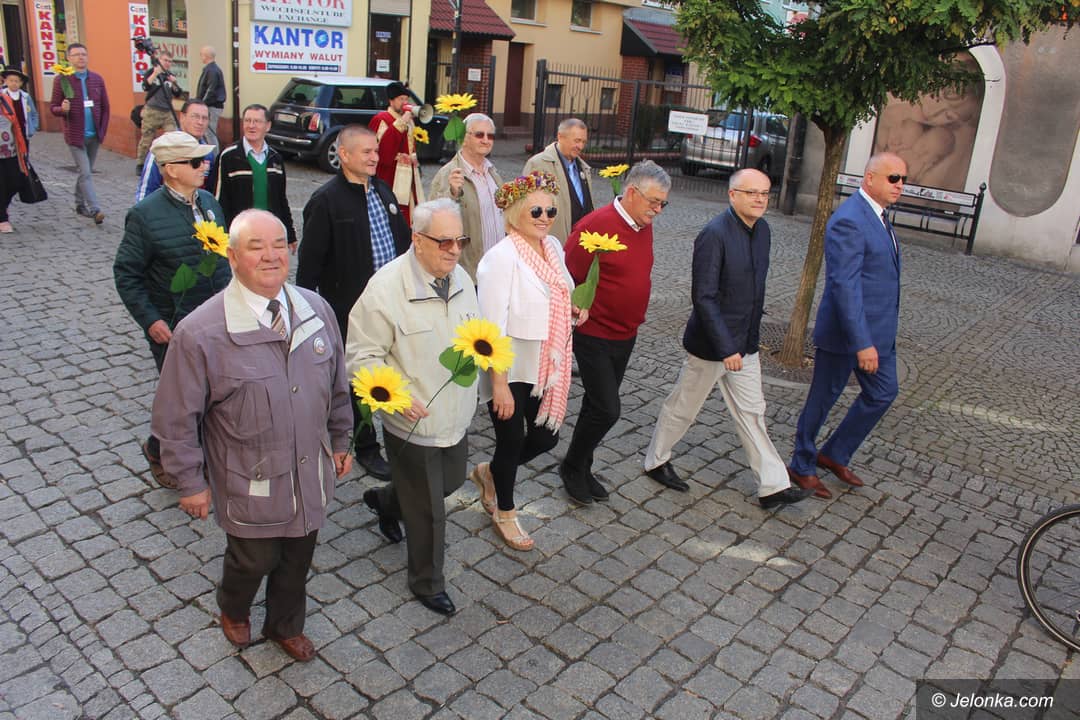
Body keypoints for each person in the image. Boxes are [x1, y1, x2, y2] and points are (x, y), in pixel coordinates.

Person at [151, 209, 353, 663]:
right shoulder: (200, 332)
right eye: (255, 247)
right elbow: (175, 418)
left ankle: (285, 625)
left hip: (310, 472)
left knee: (298, 559)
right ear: (232, 256)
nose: (270, 256)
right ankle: (234, 605)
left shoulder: (316, 310)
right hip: (249, 481)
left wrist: (342, 440)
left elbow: (337, 387)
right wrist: (190, 482)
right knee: (253, 560)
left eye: (278, 245)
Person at [643, 169, 813, 509]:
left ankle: (773, 486)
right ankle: (656, 461)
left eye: (764, 193)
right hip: (711, 347)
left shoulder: (763, 231)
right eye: (752, 193)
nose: (760, 199)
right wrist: (726, 347)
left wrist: (747, 341)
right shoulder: (714, 235)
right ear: (732, 195)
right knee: (684, 407)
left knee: (752, 413)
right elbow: (704, 297)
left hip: (746, 345)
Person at [345, 198, 478, 616]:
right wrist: (398, 395)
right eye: (443, 242)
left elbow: (478, 334)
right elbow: (361, 357)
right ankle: (427, 581)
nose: (454, 251)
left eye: (459, 241)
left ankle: (386, 501)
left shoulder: (462, 277)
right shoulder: (385, 289)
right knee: (430, 512)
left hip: (454, 413)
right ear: (417, 240)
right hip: (411, 420)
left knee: (450, 481)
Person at [473, 171, 586, 550]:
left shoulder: (552, 246)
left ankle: (490, 473)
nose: (545, 217)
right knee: (510, 441)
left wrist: (573, 309)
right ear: (515, 211)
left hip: (544, 366)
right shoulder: (500, 259)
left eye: (551, 210)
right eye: (536, 210)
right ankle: (505, 512)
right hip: (509, 367)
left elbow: (560, 291)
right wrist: (499, 384)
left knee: (545, 437)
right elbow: (491, 328)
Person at [114, 132, 231, 489]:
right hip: (174, 326)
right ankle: (159, 450)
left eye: (204, 160)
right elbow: (126, 274)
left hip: (217, 319)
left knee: (214, 392)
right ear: (170, 169)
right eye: (195, 162)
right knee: (182, 399)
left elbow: (222, 257)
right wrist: (151, 320)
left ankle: (206, 456)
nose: (204, 166)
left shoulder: (209, 202)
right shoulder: (144, 216)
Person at [788, 153, 906, 499]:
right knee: (822, 400)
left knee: (883, 392)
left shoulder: (879, 216)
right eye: (893, 178)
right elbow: (845, 285)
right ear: (869, 178)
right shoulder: (849, 219)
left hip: (879, 333)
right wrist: (862, 342)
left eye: (903, 179)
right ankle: (802, 464)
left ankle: (834, 453)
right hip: (847, 334)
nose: (900, 185)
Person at [296, 125, 411, 481]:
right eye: (366, 152)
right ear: (344, 155)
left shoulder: (383, 190)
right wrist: (307, 314)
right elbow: (309, 266)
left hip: (392, 303)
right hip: (350, 309)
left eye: (376, 151)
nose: (375, 157)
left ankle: (399, 432)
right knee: (359, 380)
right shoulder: (326, 201)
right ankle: (365, 444)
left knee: (393, 366)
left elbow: (403, 242)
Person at [559, 160, 670, 505]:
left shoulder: (642, 224)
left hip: (626, 332)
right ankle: (571, 467)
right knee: (608, 409)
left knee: (595, 405)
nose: (658, 210)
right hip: (594, 332)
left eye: (663, 203)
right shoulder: (595, 226)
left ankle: (583, 465)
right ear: (632, 192)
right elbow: (566, 275)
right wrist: (577, 307)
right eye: (654, 201)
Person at [428, 113, 504, 280]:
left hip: (497, 269)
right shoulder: (449, 174)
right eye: (479, 135)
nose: (486, 140)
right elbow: (433, 220)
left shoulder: (493, 172)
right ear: (464, 138)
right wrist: (452, 193)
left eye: (490, 136)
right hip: (469, 271)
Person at [216, 104, 298, 252]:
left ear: (268, 126)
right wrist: (223, 236)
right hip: (240, 234)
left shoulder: (276, 158)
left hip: (269, 232)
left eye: (257, 121)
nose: (251, 126)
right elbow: (220, 198)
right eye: (247, 120)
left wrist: (290, 234)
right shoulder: (228, 156)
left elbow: (281, 199)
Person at [50, 43, 109, 225]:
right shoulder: (62, 80)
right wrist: (62, 109)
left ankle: (79, 203)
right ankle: (95, 209)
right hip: (75, 135)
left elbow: (105, 107)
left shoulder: (96, 79)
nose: (80, 57)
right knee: (85, 172)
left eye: (83, 54)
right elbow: (53, 107)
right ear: (69, 58)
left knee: (86, 173)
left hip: (94, 135)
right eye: (76, 54)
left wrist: (102, 130)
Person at [523, 118, 593, 242]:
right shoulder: (539, 164)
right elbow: (527, 209)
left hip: (581, 243)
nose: (581, 146)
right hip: (552, 243)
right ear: (560, 137)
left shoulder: (584, 168)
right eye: (577, 141)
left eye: (584, 142)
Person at [135, 99, 217, 202]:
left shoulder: (208, 153)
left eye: (204, 118)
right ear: (182, 117)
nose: (200, 122)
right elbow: (146, 191)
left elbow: (209, 191)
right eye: (195, 116)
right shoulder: (164, 148)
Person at [368, 81, 424, 224]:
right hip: (390, 174)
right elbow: (383, 151)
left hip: (408, 173)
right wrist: (400, 123)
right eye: (401, 99)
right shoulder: (381, 119)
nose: (405, 103)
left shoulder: (409, 121)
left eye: (406, 99)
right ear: (391, 101)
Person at [0, 66, 38, 234]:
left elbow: (15, 124)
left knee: (15, 181)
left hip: (10, 149)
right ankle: (2, 218)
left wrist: (22, 143)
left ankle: (3, 207)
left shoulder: (5, 99)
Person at [136, 49, 182, 171]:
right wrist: (155, 74)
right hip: (152, 111)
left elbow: (178, 93)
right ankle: (140, 164)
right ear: (159, 60)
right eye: (165, 60)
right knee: (147, 139)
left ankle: (171, 162)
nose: (167, 63)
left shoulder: (170, 75)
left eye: (170, 61)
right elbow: (145, 86)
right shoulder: (152, 72)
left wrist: (174, 83)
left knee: (172, 137)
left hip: (167, 112)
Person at [195, 46, 226, 147]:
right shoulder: (211, 69)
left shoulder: (212, 70)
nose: (200, 57)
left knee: (209, 133)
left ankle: (215, 155)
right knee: (207, 133)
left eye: (201, 54)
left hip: (212, 106)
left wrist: (201, 104)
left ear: (205, 56)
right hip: (210, 105)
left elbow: (210, 90)